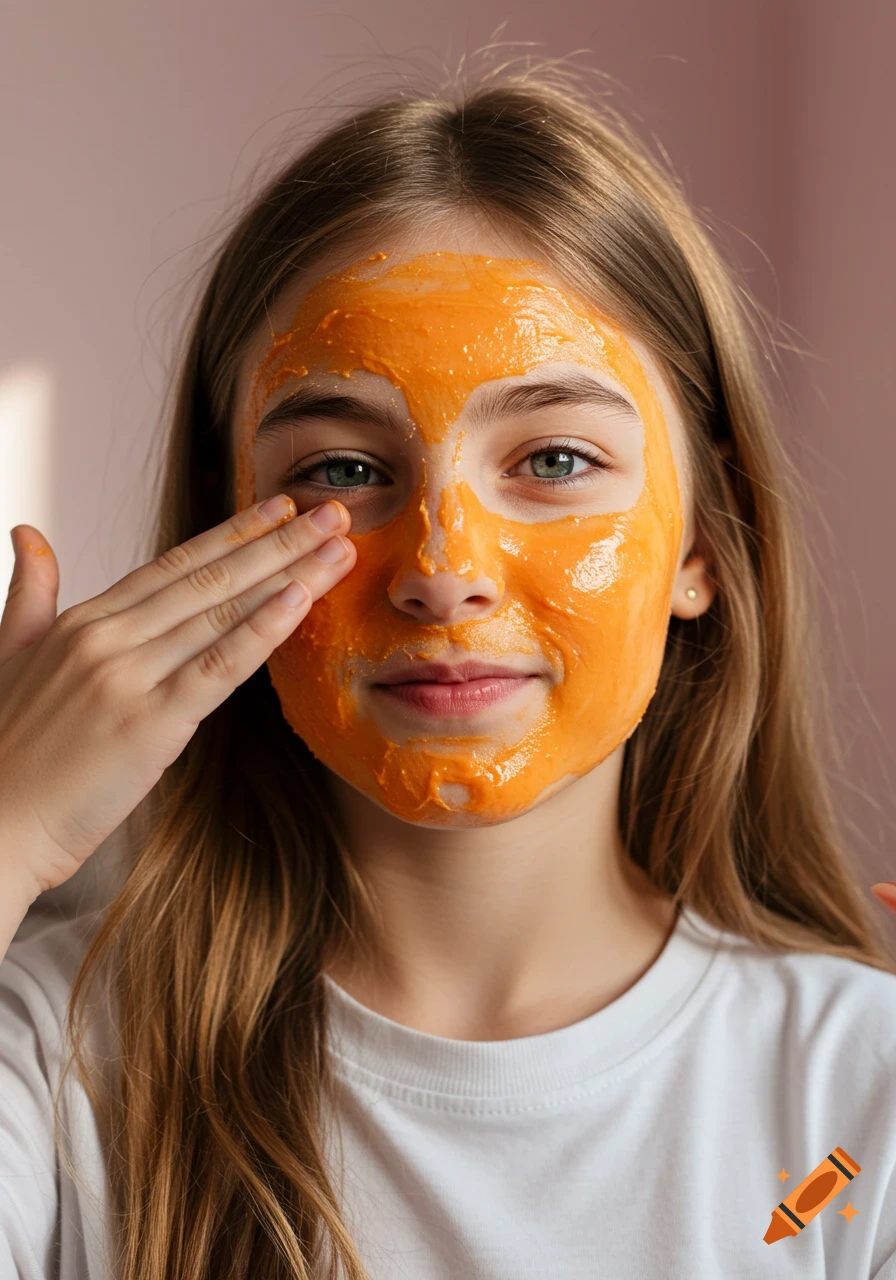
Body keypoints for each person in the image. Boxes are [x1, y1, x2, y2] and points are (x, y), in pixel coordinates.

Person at [1, 68, 895, 1280]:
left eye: (555, 458)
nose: (440, 571)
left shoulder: (859, 1092)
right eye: (343, 471)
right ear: (222, 527)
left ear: (703, 540)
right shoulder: (59, 1057)